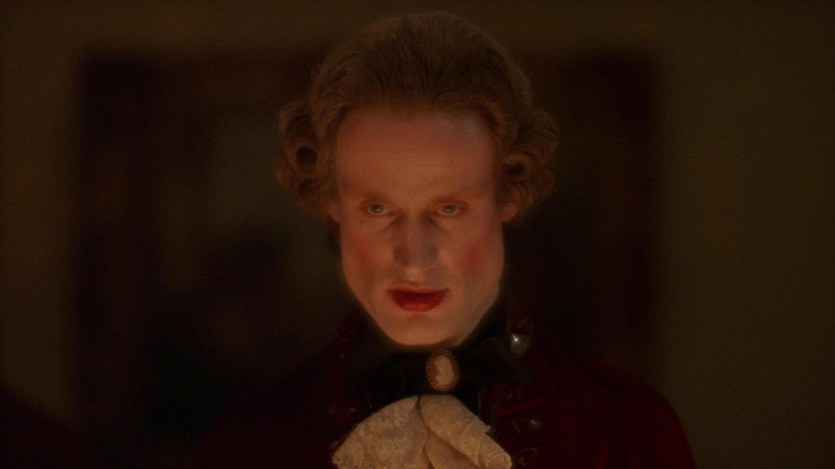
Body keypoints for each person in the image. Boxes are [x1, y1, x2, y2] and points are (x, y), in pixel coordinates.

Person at [196, 11, 693, 468]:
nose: (414, 258)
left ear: (507, 195)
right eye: (377, 209)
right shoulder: (252, 444)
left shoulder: (627, 432)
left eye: (448, 209)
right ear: (333, 203)